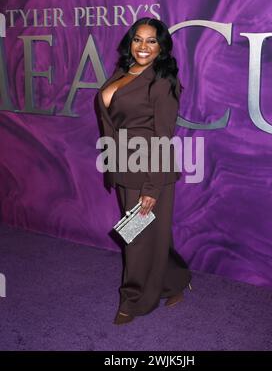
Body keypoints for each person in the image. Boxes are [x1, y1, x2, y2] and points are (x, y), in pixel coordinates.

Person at [97, 17, 192, 325]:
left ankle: (133, 299)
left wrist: (151, 189)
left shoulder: (162, 81)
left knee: (136, 239)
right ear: (130, 42)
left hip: (150, 171)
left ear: (161, 46)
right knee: (152, 234)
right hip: (124, 166)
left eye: (152, 41)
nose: (143, 46)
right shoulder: (122, 72)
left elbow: (164, 137)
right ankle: (175, 279)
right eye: (138, 39)